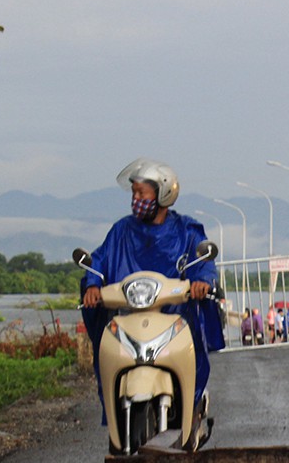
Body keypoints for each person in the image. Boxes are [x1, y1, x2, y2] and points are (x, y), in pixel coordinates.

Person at [80, 158, 224, 425]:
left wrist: (202, 282)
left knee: (195, 348)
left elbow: (202, 261)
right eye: (133, 192)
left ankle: (192, 405)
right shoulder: (122, 230)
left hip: (175, 314)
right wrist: (92, 284)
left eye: (141, 193)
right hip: (130, 314)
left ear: (163, 193)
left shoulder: (186, 230)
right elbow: (99, 260)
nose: (135, 199)